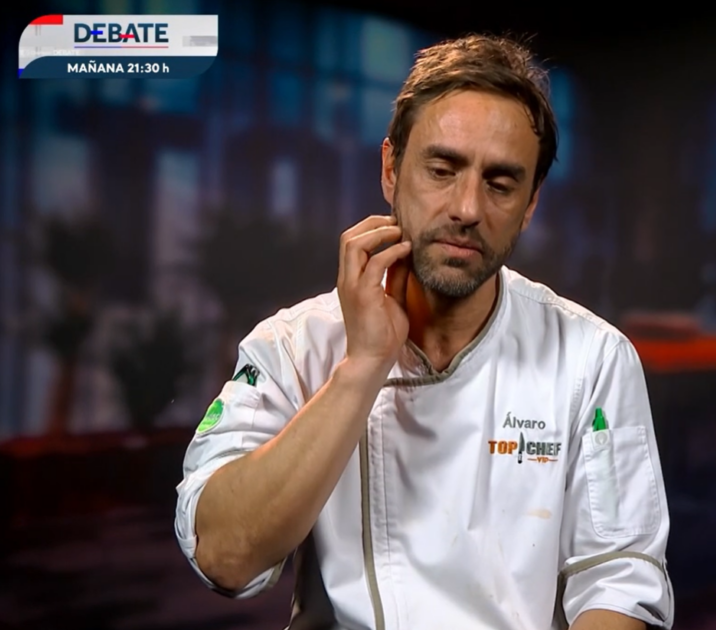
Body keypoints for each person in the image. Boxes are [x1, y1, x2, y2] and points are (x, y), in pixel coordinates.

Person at [174, 34, 673, 630]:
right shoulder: (293, 345)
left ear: (531, 202)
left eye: (500, 183)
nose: (467, 208)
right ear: (391, 169)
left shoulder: (592, 357)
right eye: (442, 169)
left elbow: (618, 578)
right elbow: (225, 556)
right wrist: (362, 366)